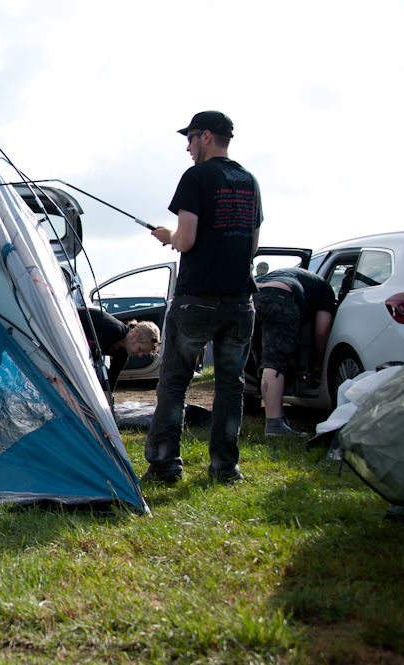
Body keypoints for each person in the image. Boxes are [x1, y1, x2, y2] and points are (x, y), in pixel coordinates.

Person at [142, 111, 262, 485]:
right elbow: (253, 246)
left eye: (190, 138)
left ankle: (165, 466)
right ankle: (225, 468)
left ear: (206, 136)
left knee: (174, 383)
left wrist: (168, 236)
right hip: (240, 300)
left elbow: (187, 239)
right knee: (230, 386)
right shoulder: (250, 181)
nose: (188, 148)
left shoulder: (196, 177)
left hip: (197, 298)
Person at [251, 267, 336, 436]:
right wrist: (322, 363)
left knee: (264, 358)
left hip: (253, 295)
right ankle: (275, 425)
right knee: (274, 362)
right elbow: (322, 332)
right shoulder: (325, 290)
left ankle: (273, 417)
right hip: (282, 296)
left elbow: (276, 344)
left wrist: (296, 368)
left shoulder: (299, 278)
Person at [77, 306, 160, 390]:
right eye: (140, 349)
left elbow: (111, 380)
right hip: (73, 320)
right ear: (133, 335)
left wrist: (107, 396)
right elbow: (90, 358)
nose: (140, 355)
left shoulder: (123, 355)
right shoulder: (115, 331)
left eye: (143, 353)